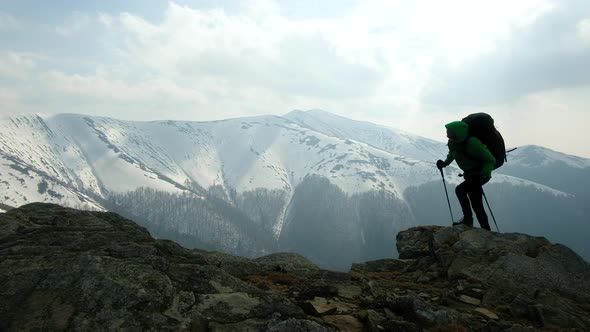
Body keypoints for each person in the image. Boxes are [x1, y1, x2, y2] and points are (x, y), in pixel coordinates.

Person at [436, 121, 496, 231]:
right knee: (476, 204)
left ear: (456, 132)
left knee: (461, 190)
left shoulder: (472, 143)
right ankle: (485, 229)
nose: (446, 133)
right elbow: (452, 153)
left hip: (479, 174)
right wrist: (445, 163)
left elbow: (490, 160)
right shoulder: (453, 142)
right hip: (470, 175)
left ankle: (468, 220)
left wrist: (484, 174)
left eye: (448, 130)